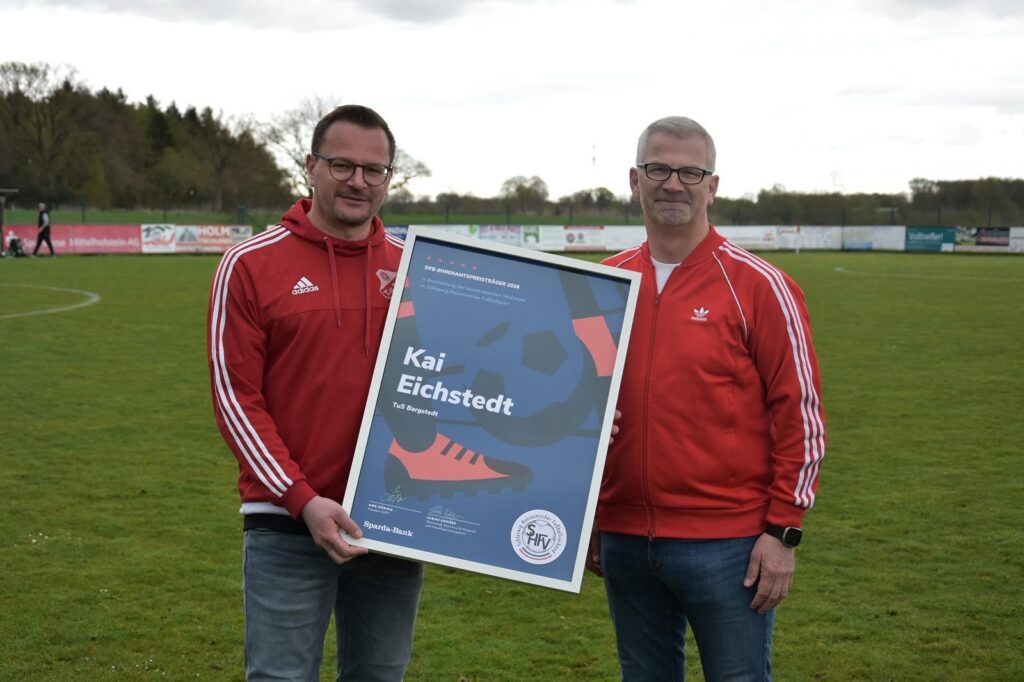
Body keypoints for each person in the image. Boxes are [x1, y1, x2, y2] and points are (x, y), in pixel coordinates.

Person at [588, 116, 826, 681]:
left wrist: (783, 531)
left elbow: (801, 417)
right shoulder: (603, 284)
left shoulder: (760, 285)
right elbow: (578, 405)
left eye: (690, 172)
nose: (673, 183)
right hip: (624, 538)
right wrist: (590, 516)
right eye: (658, 169)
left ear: (712, 186)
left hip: (729, 544)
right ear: (634, 180)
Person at [207, 104, 423, 681]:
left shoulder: (416, 270)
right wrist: (301, 498)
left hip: (390, 523)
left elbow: (455, 384)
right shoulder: (250, 264)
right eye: (341, 165)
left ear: (389, 178)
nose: (358, 181)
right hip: (287, 520)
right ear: (310, 166)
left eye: (374, 170)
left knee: (379, 675)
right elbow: (235, 399)